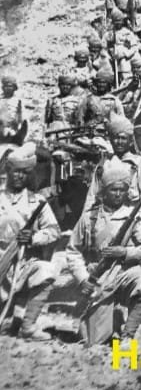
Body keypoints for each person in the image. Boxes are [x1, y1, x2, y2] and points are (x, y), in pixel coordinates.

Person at [66, 159, 141, 343]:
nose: (118, 194)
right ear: (104, 190)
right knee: (94, 341)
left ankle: (128, 336)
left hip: (122, 273)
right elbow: (73, 251)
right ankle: (110, 316)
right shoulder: (89, 218)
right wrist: (82, 279)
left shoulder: (132, 217)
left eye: (122, 190)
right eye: (113, 190)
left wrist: (125, 253)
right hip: (98, 280)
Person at [0, 145, 60, 340]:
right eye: (16, 171)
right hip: (1, 264)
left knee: (47, 270)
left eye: (24, 172)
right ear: (8, 171)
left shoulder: (37, 202)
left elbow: (54, 231)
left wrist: (33, 238)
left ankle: (28, 326)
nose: (19, 176)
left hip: (23, 265)